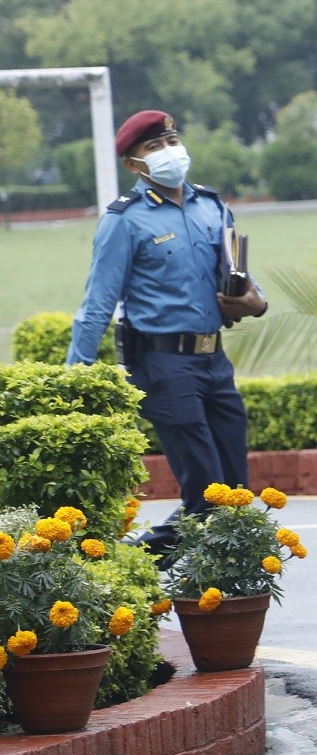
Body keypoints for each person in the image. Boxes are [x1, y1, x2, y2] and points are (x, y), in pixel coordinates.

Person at [69, 109, 266, 544]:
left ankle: (214, 589)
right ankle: (132, 564)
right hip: (163, 365)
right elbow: (97, 304)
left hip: (215, 361)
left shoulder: (212, 207)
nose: (169, 153)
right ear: (133, 164)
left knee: (235, 491)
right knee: (208, 494)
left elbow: (238, 273)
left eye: (172, 141)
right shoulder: (125, 220)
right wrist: (75, 378)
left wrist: (257, 301)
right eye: (154, 147)